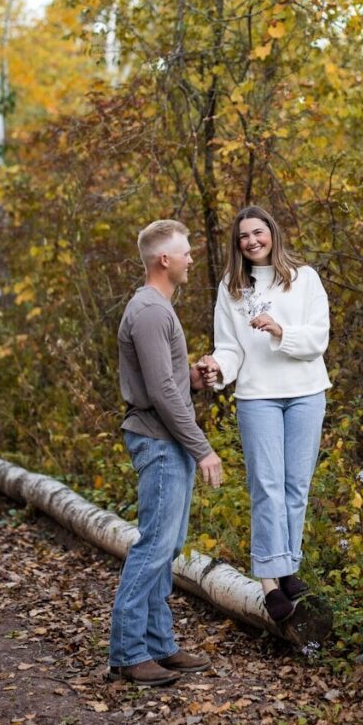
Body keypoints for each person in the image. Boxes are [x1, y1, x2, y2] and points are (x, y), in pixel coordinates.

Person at [199, 206, 330, 623]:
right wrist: (218, 368)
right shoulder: (231, 288)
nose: (252, 241)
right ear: (236, 244)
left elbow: (318, 338)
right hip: (258, 397)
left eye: (258, 232)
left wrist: (279, 331)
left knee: (295, 486)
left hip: (307, 392)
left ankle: (287, 567)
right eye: (243, 236)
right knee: (266, 486)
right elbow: (230, 347)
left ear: (272, 233)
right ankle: (270, 585)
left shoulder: (304, 278)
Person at [108, 219, 223, 686]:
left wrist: (193, 378)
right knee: (154, 547)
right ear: (164, 260)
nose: (192, 258)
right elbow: (159, 392)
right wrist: (203, 449)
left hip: (164, 437)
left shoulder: (157, 308)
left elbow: (168, 384)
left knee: (167, 547)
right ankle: (129, 653)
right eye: (186, 252)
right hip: (159, 440)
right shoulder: (152, 311)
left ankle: (159, 646)